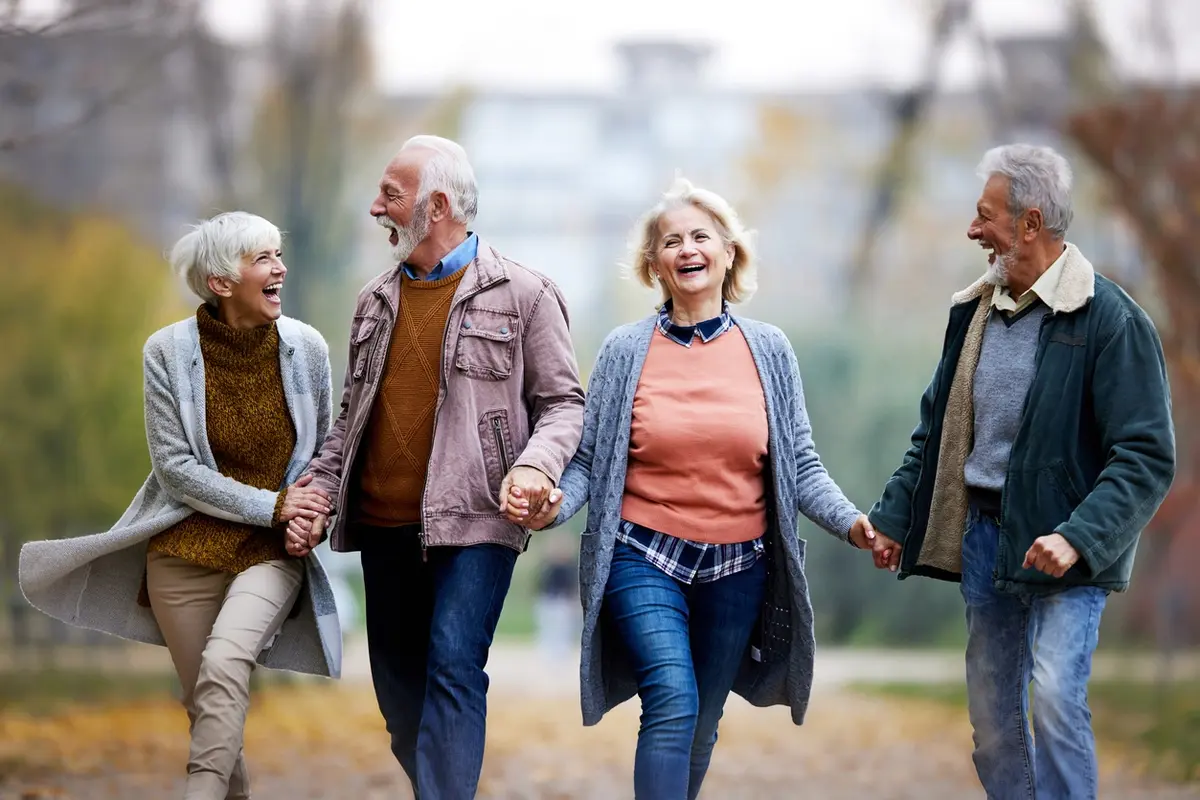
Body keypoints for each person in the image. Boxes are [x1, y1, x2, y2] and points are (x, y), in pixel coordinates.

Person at [507, 177, 877, 800]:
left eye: (700, 237)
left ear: (729, 252)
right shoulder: (625, 350)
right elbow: (590, 461)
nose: (687, 249)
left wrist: (852, 523)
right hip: (643, 555)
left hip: (740, 567)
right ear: (654, 264)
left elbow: (801, 467)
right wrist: (550, 507)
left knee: (702, 723)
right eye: (671, 241)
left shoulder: (769, 350)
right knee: (672, 701)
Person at [867, 144, 1175, 799]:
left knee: (1057, 698)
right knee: (993, 721)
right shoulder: (974, 312)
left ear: (1030, 224)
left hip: (1066, 550)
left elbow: (1145, 456)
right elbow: (936, 432)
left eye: (985, 216)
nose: (972, 230)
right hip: (987, 539)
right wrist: (894, 516)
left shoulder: (1110, 320)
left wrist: (1077, 537)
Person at [286, 134, 585, 800]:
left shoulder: (526, 294)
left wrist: (536, 467)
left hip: (477, 521)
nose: (375, 207)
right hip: (383, 524)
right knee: (399, 694)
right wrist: (319, 493)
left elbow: (565, 405)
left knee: (453, 665)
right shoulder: (373, 300)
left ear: (438, 205)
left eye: (390, 194)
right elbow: (350, 417)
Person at [19, 211, 342, 800]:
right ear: (221, 282)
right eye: (263, 258)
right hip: (182, 555)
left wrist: (311, 517)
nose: (280, 268)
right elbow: (177, 470)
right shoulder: (166, 352)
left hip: (268, 555)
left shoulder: (307, 349)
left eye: (278, 254)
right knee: (208, 704)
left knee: (224, 666)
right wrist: (275, 505)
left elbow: (324, 457)